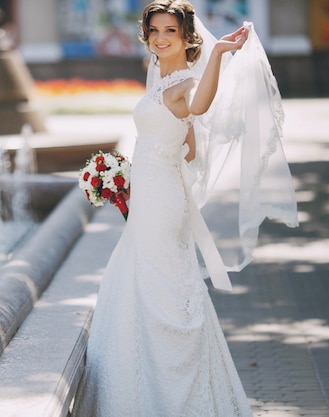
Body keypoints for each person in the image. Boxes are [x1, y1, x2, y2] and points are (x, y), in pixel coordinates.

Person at [71, 1, 298, 416]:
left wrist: (217, 56)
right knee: (145, 277)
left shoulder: (188, 82)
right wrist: (121, 175)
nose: (160, 38)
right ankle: (146, 380)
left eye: (169, 31)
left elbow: (198, 108)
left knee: (164, 283)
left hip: (163, 200)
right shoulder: (157, 74)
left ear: (186, 35)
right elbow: (189, 145)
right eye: (154, 30)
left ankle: (178, 390)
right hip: (149, 191)